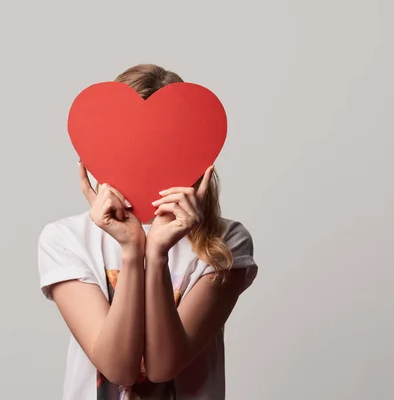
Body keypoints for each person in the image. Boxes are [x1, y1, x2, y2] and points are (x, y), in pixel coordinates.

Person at [38, 64, 258, 400]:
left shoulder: (226, 241)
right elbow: (118, 368)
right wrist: (131, 250)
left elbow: (164, 366)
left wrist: (156, 254)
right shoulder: (65, 240)